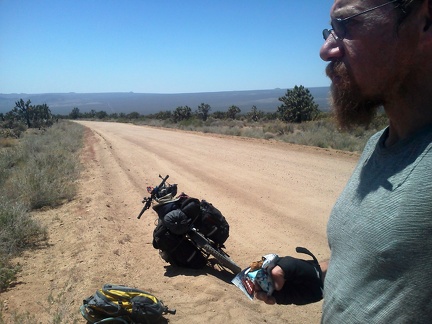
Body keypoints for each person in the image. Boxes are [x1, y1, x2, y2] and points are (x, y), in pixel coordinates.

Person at [255, 0, 432, 322]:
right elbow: (387, 267)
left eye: (346, 25)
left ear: (425, 21)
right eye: (330, 30)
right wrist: (316, 275)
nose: (326, 50)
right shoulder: (377, 145)